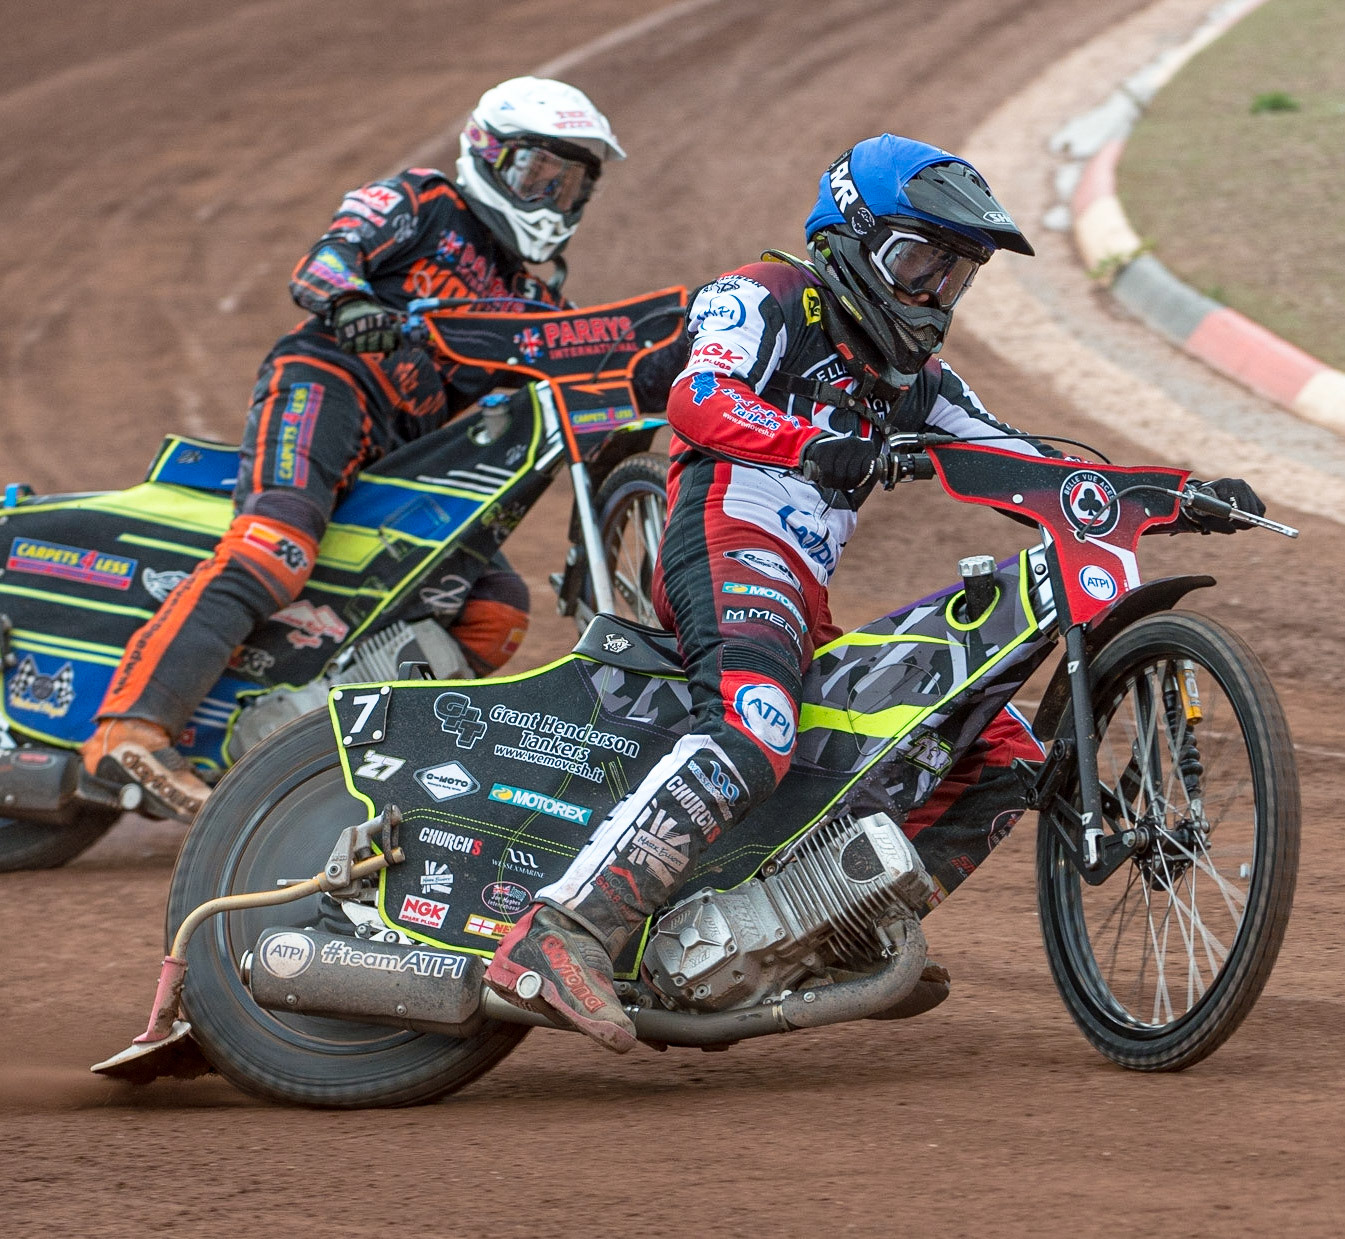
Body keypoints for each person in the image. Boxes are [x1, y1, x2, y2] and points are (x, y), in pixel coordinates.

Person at [483, 133, 1267, 1052]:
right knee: (757, 726)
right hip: (726, 539)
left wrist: (1173, 493)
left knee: (1006, 753)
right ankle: (560, 931)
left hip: (800, 593)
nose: (934, 293)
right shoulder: (766, 296)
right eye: (919, 262)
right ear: (851, 238)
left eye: (955, 275)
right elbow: (700, 399)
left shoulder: (914, 379)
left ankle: (827, 930)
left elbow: (1026, 461)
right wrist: (811, 445)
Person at [83, 77, 625, 820]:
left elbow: (576, 378)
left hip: (409, 455)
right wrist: (353, 302)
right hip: (329, 383)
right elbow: (324, 262)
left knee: (497, 609)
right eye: (538, 174)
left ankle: (319, 758)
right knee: (276, 543)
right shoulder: (421, 200)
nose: (551, 198)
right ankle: (130, 729)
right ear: (489, 156)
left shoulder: (535, 301)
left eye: (568, 187)